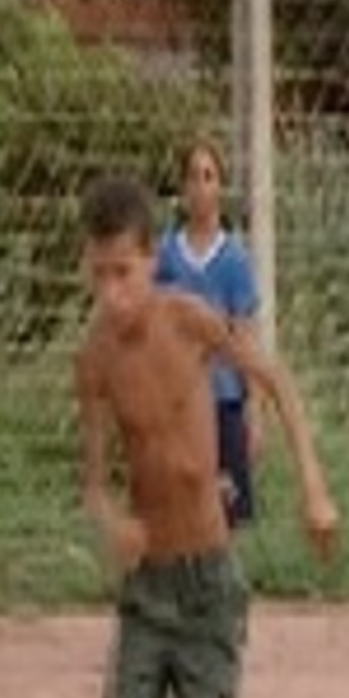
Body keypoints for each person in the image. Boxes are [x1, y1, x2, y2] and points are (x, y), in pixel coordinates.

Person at [76, 169, 338, 698]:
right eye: (99, 275)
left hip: (209, 583)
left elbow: (276, 383)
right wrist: (109, 517)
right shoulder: (92, 363)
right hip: (148, 590)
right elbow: (91, 478)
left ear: (153, 263)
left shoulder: (188, 323)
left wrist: (313, 488)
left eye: (126, 271)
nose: (115, 292)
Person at [153, 133, 264, 526]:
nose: (200, 187)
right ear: (181, 188)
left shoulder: (233, 259)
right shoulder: (166, 254)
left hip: (224, 400)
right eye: (192, 177)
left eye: (209, 176)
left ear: (220, 185)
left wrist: (254, 409)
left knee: (226, 510)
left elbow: (245, 335)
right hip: (179, 400)